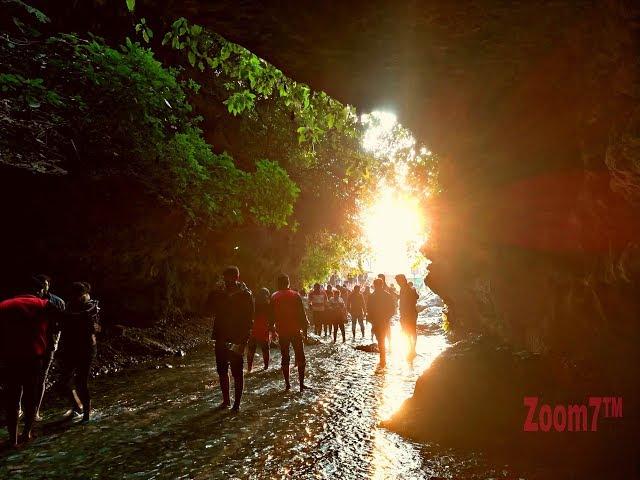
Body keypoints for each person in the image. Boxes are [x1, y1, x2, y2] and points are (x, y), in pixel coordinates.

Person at [0, 277, 64, 446]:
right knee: (30, 397)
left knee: (12, 400)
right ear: (39, 291)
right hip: (34, 358)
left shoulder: (4, 305)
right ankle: (27, 433)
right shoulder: (43, 305)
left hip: (9, 359)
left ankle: (12, 439)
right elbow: (64, 319)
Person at [210, 266, 254, 412]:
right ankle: (226, 401)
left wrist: (244, 341)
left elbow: (249, 320)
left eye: (229, 277)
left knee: (237, 371)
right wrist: (213, 292)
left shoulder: (245, 295)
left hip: (237, 337)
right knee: (222, 370)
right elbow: (206, 309)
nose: (226, 280)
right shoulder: (219, 294)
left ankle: (237, 404)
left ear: (236, 277)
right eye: (225, 278)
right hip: (221, 337)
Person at [57, 281, 100, 422]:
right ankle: (77, 406)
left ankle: (86, 414)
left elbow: (86, 319)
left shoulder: (91, 306)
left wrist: (66, 316)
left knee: (81, 381)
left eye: (79, 295)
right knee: (64, 380)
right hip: (71, 347)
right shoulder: (70, 305)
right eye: (74, 296)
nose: (76, 298)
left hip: (86, 348)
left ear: (83, 294)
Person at [33, 274, 65, 421]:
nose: (43, 287)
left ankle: (35, 411)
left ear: (48, 285)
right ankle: (20, 408)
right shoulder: (31, 301)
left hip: (49, 344)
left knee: (42, 377)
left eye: (45, 284)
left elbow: (62, 324)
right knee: (26, 377)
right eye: (40, 284)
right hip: (31, 344)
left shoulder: (58, 302)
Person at [271, 274, 308, 392]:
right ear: (288, 283)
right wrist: (305, 330)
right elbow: (302, 315)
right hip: (295, 330)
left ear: (278, 284)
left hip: (282, 331)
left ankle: (287, 385)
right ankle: (301, 385)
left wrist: (272, 331)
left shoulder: (274, 297)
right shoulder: (295, 295)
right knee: (300, 356)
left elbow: (271, 317)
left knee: (285, 357)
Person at [366, 278, 396, 368]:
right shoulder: (386, 296)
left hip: (379, 321)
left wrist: (371, 319)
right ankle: (383, 359)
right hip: (382, 321)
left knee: (381, 340)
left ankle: (382, 359)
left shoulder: (373, 296)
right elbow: (393, 309)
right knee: (381, 339)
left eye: (377, 285)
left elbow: (368, 309)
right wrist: (387, 317)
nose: (377, 287)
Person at [247, 288, 272, 372]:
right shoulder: (268, 304)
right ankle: (266, 367)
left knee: (251, 349)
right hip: (264, 327)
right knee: (265, 348)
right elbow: (271, 318)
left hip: (254, 327)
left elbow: (250, 315)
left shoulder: (253, 303)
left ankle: (249, 368)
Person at [396, 274, 419, 358]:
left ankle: (412, 349)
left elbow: (415, 297)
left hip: (408, 314)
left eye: (398, 281)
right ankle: (412, 349)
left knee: (410, 331)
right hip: (408, 313)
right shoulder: (405, 288)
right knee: (410, 331)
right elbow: (416, 297)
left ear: (402, 280)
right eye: (397, 282)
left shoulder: (407, 289)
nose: (397, 283)